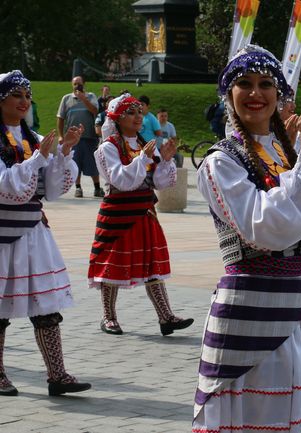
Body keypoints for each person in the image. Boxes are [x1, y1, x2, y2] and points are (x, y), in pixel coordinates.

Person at [193, 44, 301, 433]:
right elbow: (263, 228)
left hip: (296, 307)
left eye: (265, 84)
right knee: (262, 417)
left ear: (279, 95)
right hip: (250, 310)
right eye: (244, 84)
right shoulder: (221, 160)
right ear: (228, 95)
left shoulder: (284, 153)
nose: (256, 93)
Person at [0, 70, 91, 397]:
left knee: (45, 306)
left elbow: (52, 189)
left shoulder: (36, 138)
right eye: (17, 96)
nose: (25, 102)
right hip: (3, 233)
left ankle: (57, 374)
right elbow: (4, 186)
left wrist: (64, 152)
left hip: (32, 233)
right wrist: (38, 158)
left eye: (28, 96)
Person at [89, 94, 194, 336]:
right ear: (117, 118)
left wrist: (165, 160)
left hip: (145, 211)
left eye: (140, 112)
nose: (138, 117)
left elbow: (158, 181)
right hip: (118, 213)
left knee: (151, 264)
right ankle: (108, 316)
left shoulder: (144, 144)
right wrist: (144, 159)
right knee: (112, 262)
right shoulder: (108, 148)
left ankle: (166, 316)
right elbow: (121, 180)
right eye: (131, 112)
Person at [57, 75, 104, 198]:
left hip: (90, 137)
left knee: (92, 163)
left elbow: (95, 111)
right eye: (75, 84)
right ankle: (78, 188)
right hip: (72, 138)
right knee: (75, 163)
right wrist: (61, 136)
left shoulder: (91, 96)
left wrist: (84, 99)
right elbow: (60, 118)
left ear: (84, 84)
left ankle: (97, 187)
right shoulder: (66, 98)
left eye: (79, 84)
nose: (77, 86)